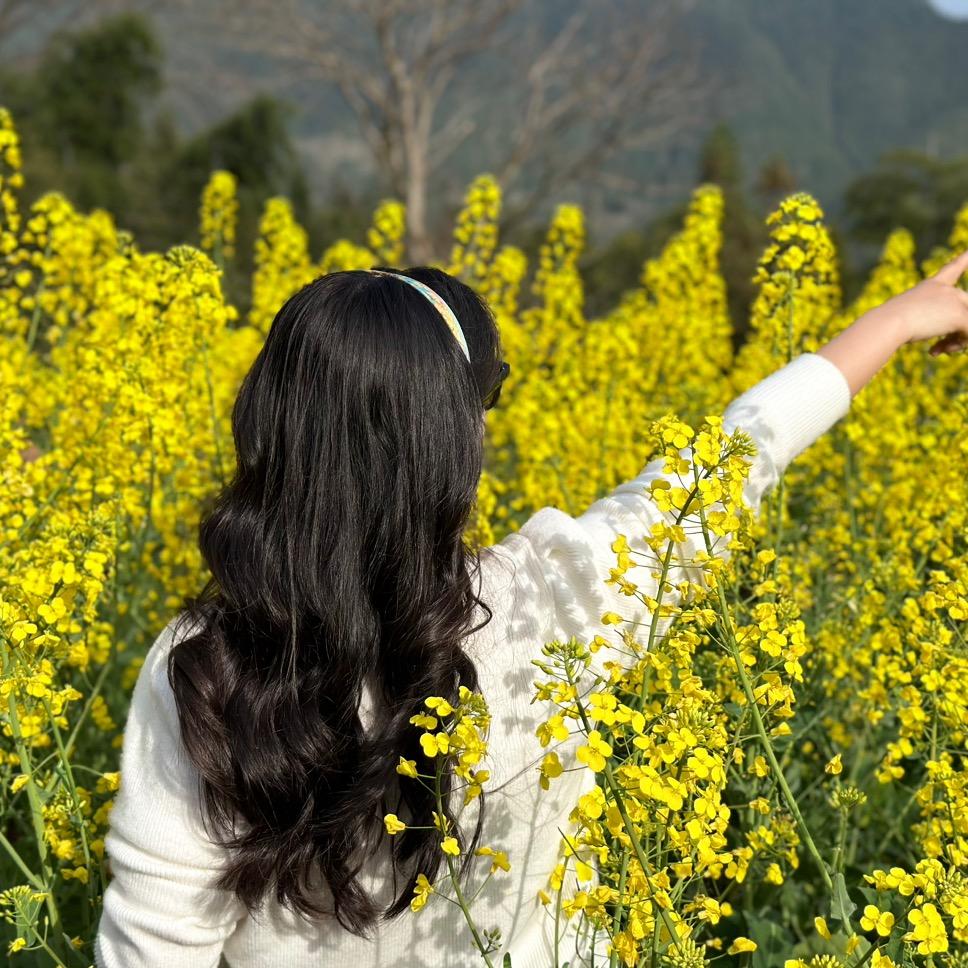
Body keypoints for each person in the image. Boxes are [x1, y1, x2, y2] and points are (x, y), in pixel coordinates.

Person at [94, 254, 968, 968]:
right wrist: (892, 321)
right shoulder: (555, 602)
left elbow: (152, 944)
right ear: (454, 445)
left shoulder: (210, 665)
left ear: (268, 423)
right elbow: (724, 466)